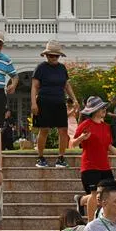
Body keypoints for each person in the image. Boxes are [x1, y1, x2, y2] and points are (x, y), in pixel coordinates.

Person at [30, 40, 78, 168]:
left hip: (59, 102)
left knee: (63, 130)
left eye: (56, 55)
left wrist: (74, 99)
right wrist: (34, 103)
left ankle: (61, 158)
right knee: (44, 129)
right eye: (51, 55)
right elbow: (34, 87)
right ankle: (40, 157)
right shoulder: (41, 68)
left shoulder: (62, 68)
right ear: (46, 55)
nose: (53, 58)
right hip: (44, 102)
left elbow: (66, 85)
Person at [71, 96, 116, 194]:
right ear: (94, 110)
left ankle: (81, 200)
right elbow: (73, 143)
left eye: (104, 107)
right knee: (94, 196)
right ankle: (81, 200)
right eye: (101, 108)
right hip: (89, 167)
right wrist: (81, 138)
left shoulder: (106, 127)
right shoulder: (85, 124)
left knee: (112, 192)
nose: (105, 109)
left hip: (105, 167)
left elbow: (108, 146)